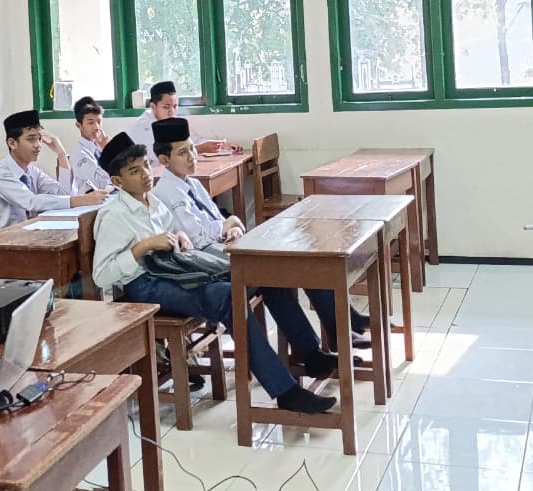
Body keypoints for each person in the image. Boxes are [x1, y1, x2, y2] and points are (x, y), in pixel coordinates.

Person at [92, 132, 337, 414]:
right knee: (226, 297)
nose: (146, 174)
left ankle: (310, 353)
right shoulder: (114, 215)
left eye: (146, 165)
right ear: (117, 181)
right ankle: (285, 391)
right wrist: (142, 247)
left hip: (175, 269)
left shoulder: (153, 202)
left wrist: (179, 237)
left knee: (264, 275)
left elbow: (171, 233)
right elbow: (102, 275)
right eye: (135, 171)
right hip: (145, 284)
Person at [150, 117, 370, 352]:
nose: (192, 156)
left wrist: (232, 226)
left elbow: (216, 219)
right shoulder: (164, 193)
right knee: (283, 270)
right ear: (164, 160)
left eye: (192, 148)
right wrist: (226, 225)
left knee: (304, 256)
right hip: (210, 262)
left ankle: (339, 328)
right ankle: (317, 345)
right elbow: (196, 238)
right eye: (182, 153)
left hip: (226, 247)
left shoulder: (192, 184)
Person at [0, 110, 105, 228]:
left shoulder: (32, 171)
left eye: (39, 139)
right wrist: (83, 199)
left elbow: (64, 194)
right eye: (31, 139)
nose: (38, 145)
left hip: (23, 236)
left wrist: (61, 154)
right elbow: (31, 202)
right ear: (12, 143)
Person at [127, 80, 238, 161]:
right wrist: (200, 149)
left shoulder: (172, 121)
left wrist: (222, 146)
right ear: (153, 107)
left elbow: (192, 139)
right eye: (166, 107)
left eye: (175, 106)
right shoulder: (143, 126)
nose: (172, 112)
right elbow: (161, 155)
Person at [69, 96, 111, 193]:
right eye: (90, 123)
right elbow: (101, 183)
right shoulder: (79, 154)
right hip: (92, 200)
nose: (97, 127)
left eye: (99, 122)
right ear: (78, 125)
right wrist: (108, 152)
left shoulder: (101, 145)